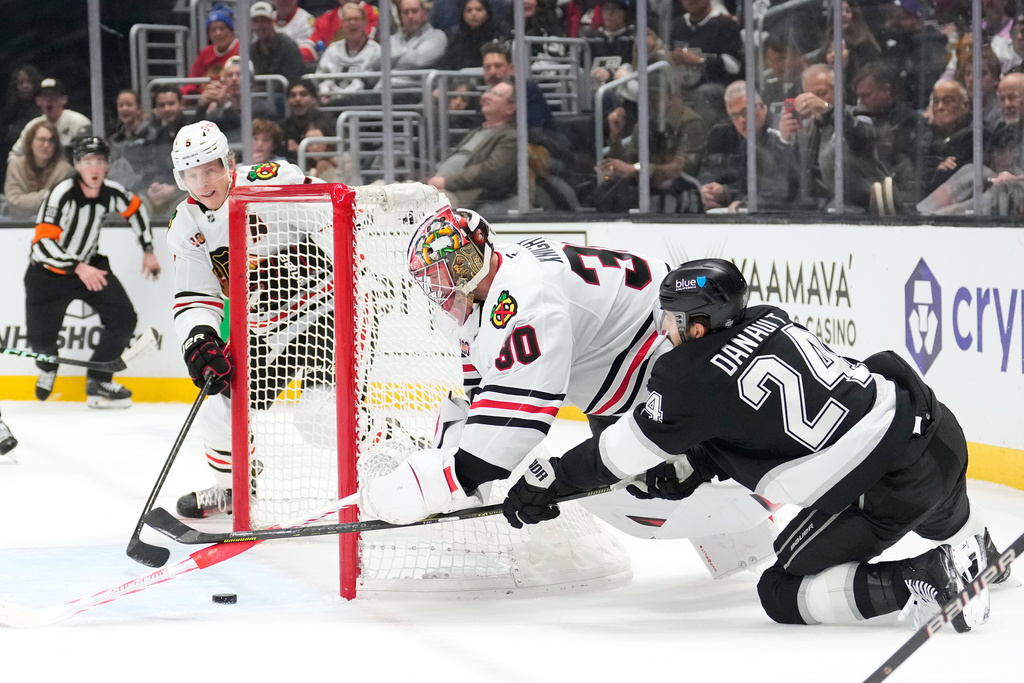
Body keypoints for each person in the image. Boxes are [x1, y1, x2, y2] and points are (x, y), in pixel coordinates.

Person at [501, 257, 1008, 633]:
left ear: (696, 325)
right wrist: (699, 463)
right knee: (939, 503)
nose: (665, 328)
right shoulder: (769, 315)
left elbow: (615, 456)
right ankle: (983, 553)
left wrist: (552, 482)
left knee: (781, 592)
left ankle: (930, 575)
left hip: (888, 485)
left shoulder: (685, 376)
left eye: (673, 318)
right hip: (937, 432)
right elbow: (756, 419)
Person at [359, 208, 778, 580]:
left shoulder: (526, 299)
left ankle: (756, 512)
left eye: (444, 271)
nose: (436, 285)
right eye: (429, 277)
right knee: (639, 469)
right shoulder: (493, 288)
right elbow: (485, 378)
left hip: (668, 344)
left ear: (472, 260)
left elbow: (524, 402)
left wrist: (459, 475)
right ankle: (748, 548)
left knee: (656, 478)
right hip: (631, 352)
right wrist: (457, 458)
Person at [166, 120, 326, 517]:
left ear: (230, 163)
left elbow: (340, 221)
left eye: (210, 169)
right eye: (191, 173)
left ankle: (393, 460)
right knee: (218, 404)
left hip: (329, 317)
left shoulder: (275, 184)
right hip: (269, 331)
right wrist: (198, 338)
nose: (202, 183)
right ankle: (233, 488)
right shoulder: (186, 226)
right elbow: (195, 296)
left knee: (320, 418)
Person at [25, 136, 160, 408]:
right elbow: (42, 244)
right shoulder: (61, 194)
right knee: (41, 341)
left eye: (99, 161)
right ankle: (48, 367)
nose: (94, 169)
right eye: (87, 162)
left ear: (107, 165)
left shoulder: (110, 192)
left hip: (89, 268)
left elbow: (134, 208)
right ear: (77, 165)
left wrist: (147, 248)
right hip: (48, 275)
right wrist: (77, 266)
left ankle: (99, 377)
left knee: (123, 318)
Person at [698, 81, 798, 212]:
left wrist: (744, 204)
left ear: (761, 107)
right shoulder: (747, 142)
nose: (741, 120)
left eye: (745, 112)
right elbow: (746, 189)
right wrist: (732, 197)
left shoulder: (782, 136)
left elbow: (780, 191)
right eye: (734, 116)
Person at [426, 80, 518, 211]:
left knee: (422, 206)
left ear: (510, 108)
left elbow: (491, 171)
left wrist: (446, 182)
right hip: (441, 189)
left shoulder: (510, 136)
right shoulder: (477, 131)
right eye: (488, 92)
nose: (486, 97)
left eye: (496, 95)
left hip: (462, 196)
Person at [195, 56, 280, 143]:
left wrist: (226, 106)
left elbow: (247, 131)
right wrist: (202, 107)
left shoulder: (264, 109)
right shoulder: (217, 113)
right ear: (224, 82)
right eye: (230, 75)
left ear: (251, 82)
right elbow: (197, 137)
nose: (234, 78)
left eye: (240, 74)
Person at [7, 78, 91, 162]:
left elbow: (89, 156)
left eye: (53, 96)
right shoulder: (32, 126)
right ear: (38, 101)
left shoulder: (79, 123)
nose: (49, 100)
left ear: (64, 100)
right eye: (44, 96)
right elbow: (14, 155)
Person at [371, 0, 448, 91]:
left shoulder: (437, 36)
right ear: (400, 16)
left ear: (425, 13)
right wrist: (407, 51)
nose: (410, 16)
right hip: (383, 90)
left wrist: (391, 60)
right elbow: (375, 62)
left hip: (414, 91)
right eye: (405, 12)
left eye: (414, 11)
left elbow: (417, 60)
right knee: (353, 99)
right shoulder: (392, 39)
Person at [3, 120, 71, 219]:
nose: (46, 145)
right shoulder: (16, 165)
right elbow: (14, 203)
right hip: (17, 225)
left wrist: (27, 202)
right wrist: (48, 194)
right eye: (42, 139)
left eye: (51, 140)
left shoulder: (64, 169)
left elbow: (59, 203)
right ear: (31, 141)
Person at [315, 2, 382, 102]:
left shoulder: (376, 51)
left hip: (363, 105)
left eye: (356, 19)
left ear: (365, 22)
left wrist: (341, 96)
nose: (352, 23)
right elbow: (322, 79)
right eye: (348, 19)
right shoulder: (333, 50)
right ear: (342, 23)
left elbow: (369, 84)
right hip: (332, 104)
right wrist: (325, 91)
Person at [182, 4, 240, 98]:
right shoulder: (205, 53)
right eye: (213, 30)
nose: (218, 33)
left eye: (222, 28)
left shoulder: (241, 49)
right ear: (209, 35)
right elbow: (192, 82)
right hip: (207, 98)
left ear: (231, 31)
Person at [250, 1, 307, 88]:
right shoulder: (252, 49)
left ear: (272, 22)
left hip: (284, 95)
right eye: (256, 22)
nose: (260, 26)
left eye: (264, 21)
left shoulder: (288, 47)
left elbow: (292, 79)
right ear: (252, 25)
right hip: (259, 96)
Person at [438, 0, 508, 71]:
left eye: (479, 9)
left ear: (487, 11)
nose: (474, 14)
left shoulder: (500, 32)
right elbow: (447, 65)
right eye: (468, 10)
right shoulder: (456, 38)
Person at [279, 81, 326, 163]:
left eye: (303, 94)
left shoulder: (328, 123)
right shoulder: (282, 127)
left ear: (314, 99)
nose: (297, 99)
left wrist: (302, 151)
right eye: (292, 95)